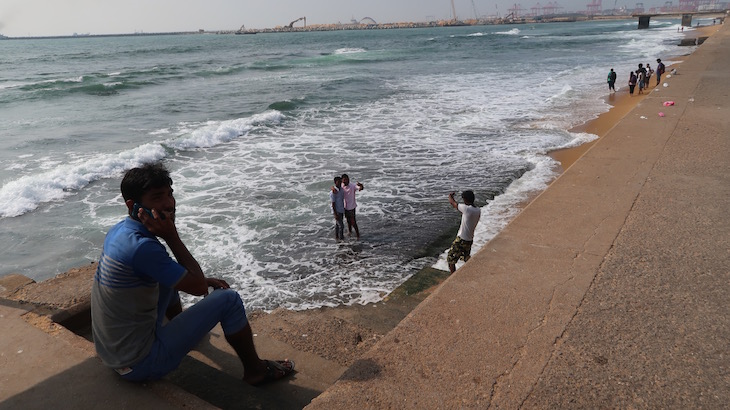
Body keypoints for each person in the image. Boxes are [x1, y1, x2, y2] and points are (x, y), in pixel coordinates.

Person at [91, 163, 294, 384]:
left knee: (168, 279)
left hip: (115, 355)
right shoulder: (142, 248)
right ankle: (256, 371)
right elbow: (198, 288)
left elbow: (179, 276)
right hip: (140, 363)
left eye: (170, 194)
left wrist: (202, 279)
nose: (169, 203)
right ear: (133, 205)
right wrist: (172, 236)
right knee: (229, 300)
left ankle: (186, 334)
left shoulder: (120, 231)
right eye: (157, 197)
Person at [447, 190, 481, 274]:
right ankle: (472, 272)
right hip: (469, 239)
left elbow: (453, 203)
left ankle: (453, 277)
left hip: (461, 239)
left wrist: (450, 196)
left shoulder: (466, 209)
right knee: (466, 257)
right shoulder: (478, 210)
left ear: (466, 199)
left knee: (450, 259)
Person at [340, 174, 364, 238]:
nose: (346, 181)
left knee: (353, 222)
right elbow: (335, 188)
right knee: (348, 221)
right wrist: (332, 188)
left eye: (347, 180)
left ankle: (358, 235)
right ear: (342, 181)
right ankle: (350, 232)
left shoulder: (352, 185)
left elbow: (360, 188)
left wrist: (361, 186)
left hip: (352, 207)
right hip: (345, 207)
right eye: (344, 180)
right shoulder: (341, 185)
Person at [329, 176, 345, 241]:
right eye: (338, 182)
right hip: (337, 210)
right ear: (335, 182)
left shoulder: (341, 189)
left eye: (340, 182)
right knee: (341, 226)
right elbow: (333, 204)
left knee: (337, 225)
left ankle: (336, 237)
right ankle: (341, 239)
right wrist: (335, 214)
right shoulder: (333, 192)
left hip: (341, 209)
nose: (340, 183)